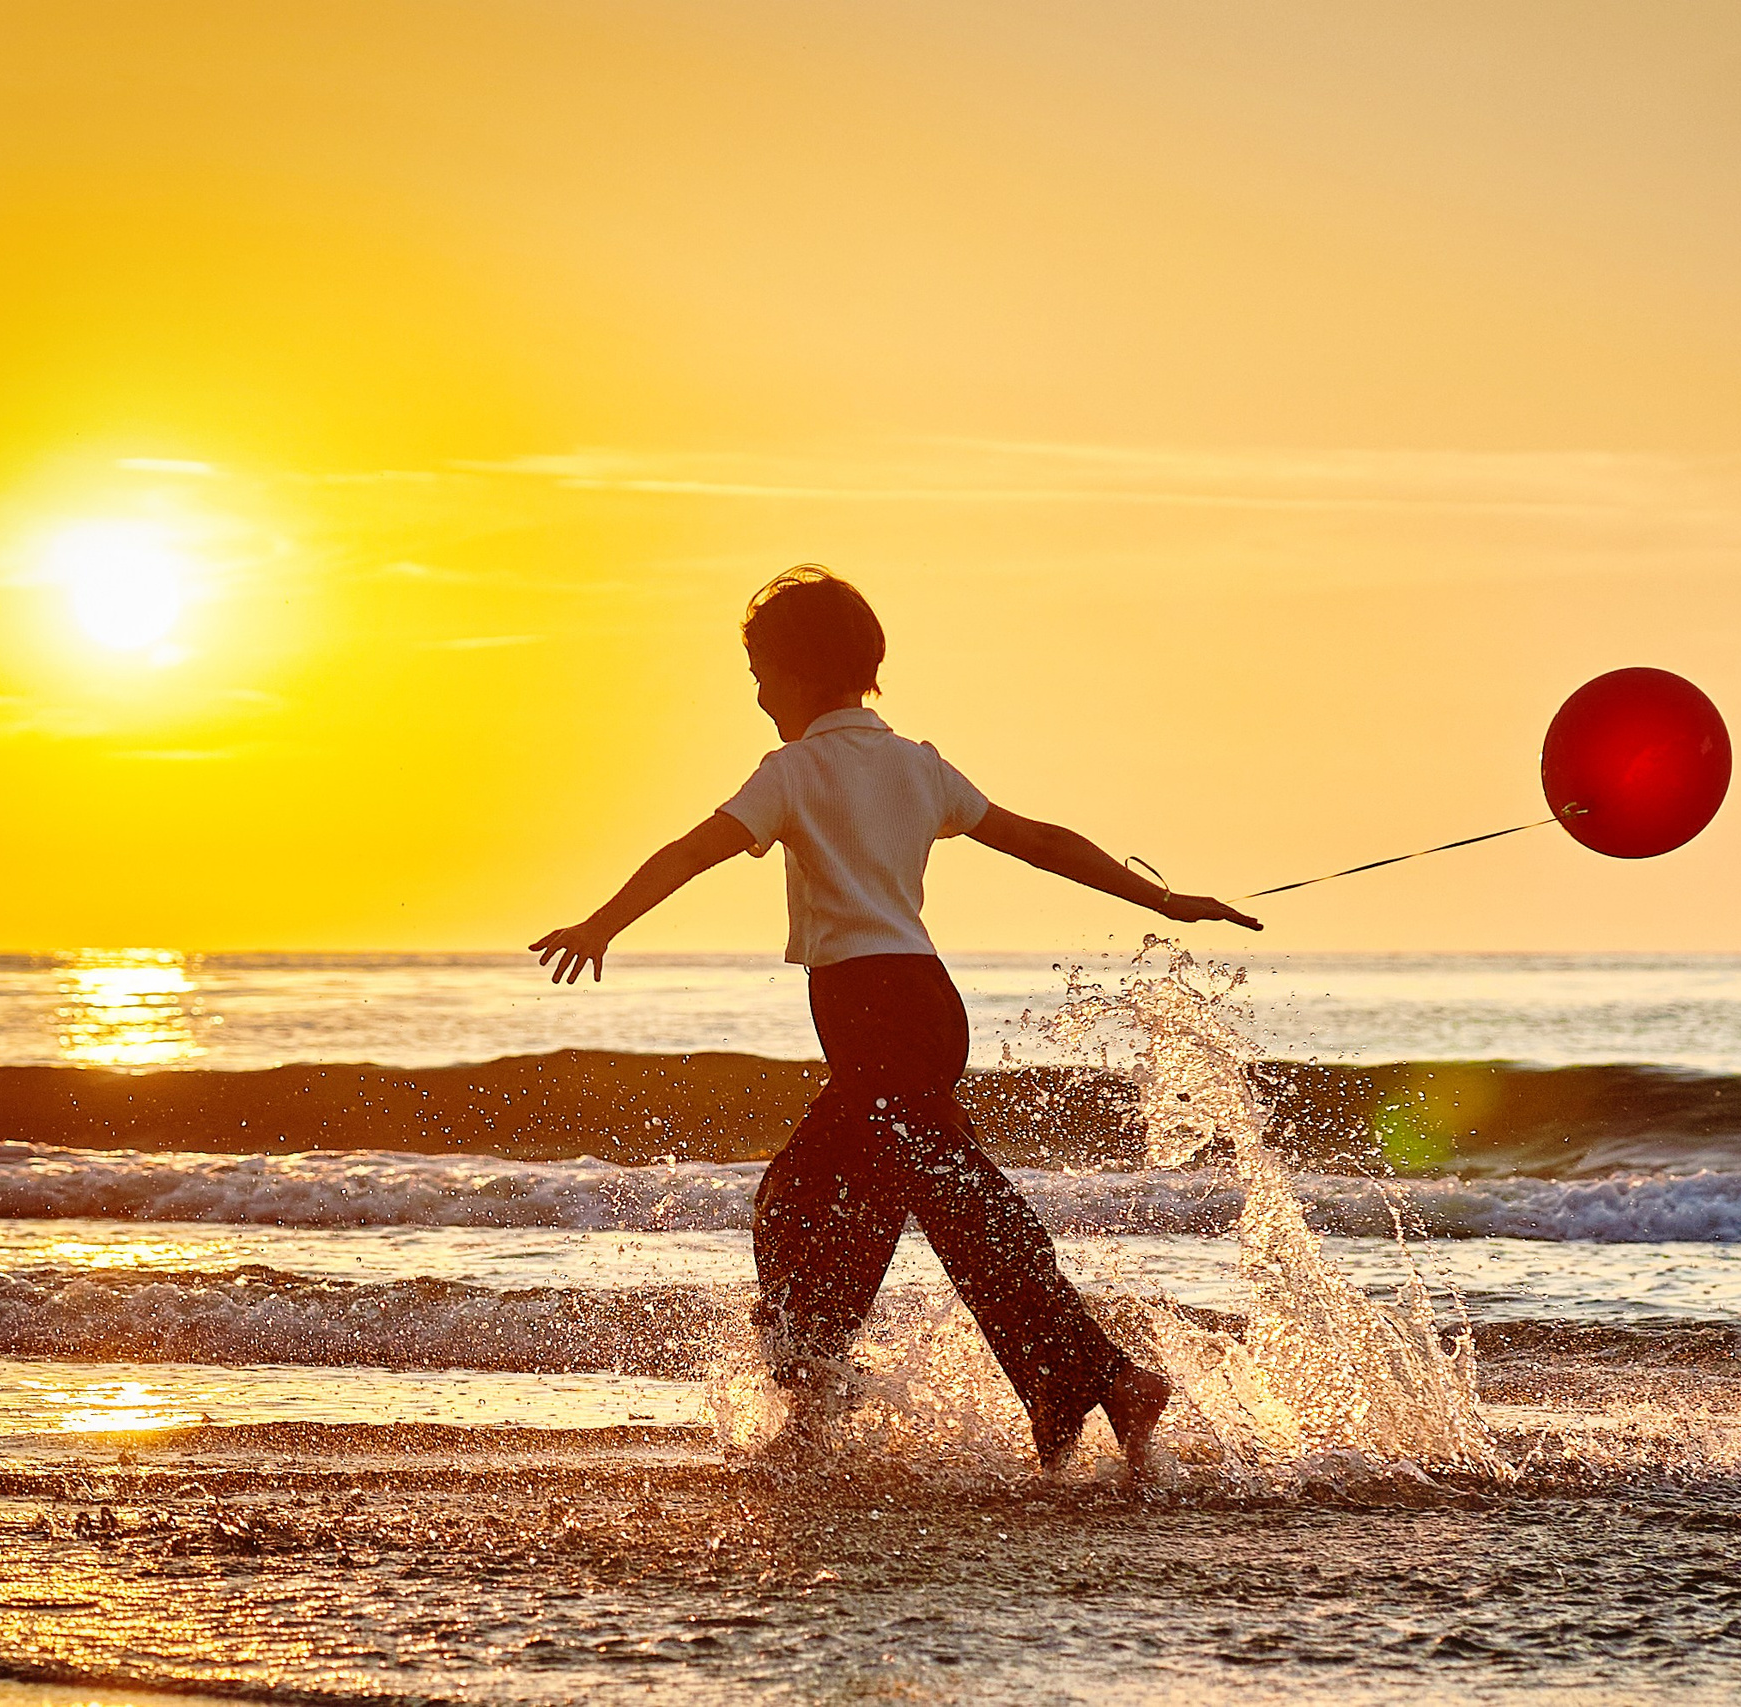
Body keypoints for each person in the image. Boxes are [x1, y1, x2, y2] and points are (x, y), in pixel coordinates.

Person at [529, 566, 1261, 1473]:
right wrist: (1161, 898)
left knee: (875, 1200)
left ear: (796, 675)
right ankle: (868, 1396)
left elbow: (694, 848)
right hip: (919, 1006)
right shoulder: (916, 763)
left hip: (878, 1016)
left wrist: (603, 923)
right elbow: (1039, 840)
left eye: (759, 674)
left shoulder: (792, 771)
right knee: (844, 1200)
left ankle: (1088, 1378)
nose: (757, 695)